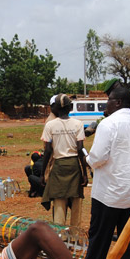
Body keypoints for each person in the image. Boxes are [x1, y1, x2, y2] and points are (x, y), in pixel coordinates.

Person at [80, 85, 130, 259]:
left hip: (108, 193)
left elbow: (98, 158)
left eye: (108, 100)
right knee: (129, 238)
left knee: (99, 237)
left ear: (118, 102)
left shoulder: (108, 124)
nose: (106, 103)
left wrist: (86, 157)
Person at [40, 93, 87, 227]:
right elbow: (80, 150)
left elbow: (48, 151)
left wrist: (43, 173)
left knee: (59, 200)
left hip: (58, 165)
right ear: (70, 108)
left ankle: (59, 235)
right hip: (74, 165)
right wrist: (84, 172)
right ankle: (75, 234)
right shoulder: (78, 124)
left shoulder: (50, 125)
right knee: (77, 200)